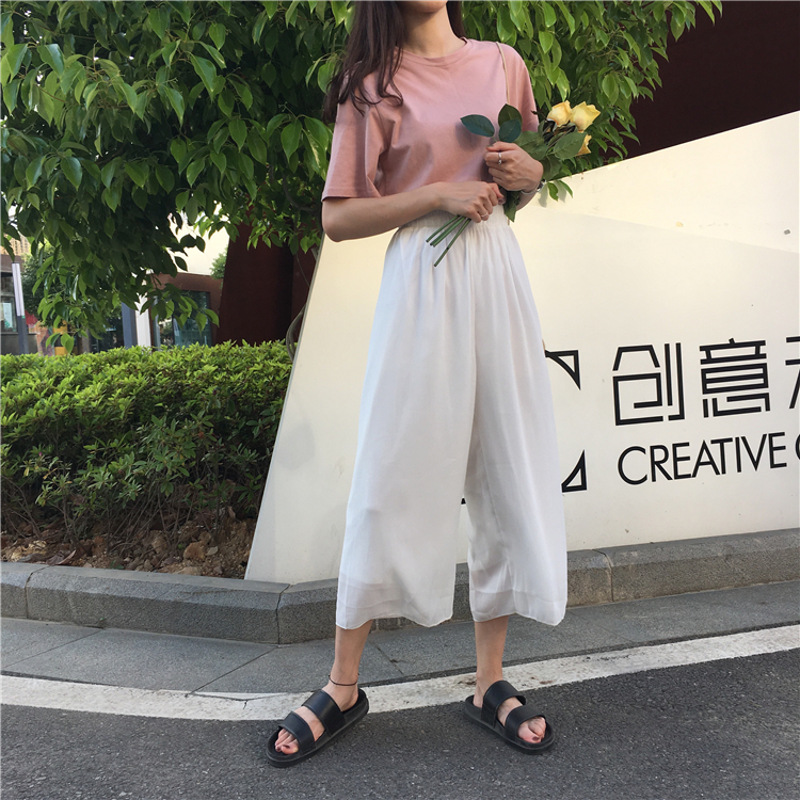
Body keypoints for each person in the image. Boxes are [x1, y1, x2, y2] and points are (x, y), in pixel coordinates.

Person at [267, 0, 567, 767]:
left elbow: (520, 182)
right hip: (421, 281)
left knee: (504, 466)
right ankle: (342, 685)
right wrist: (437, 194)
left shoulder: (503, 64)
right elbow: (339, 216)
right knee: (391, 472)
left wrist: (531, 176)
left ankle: (490, 680)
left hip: (496, 273)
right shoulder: (371, 84)